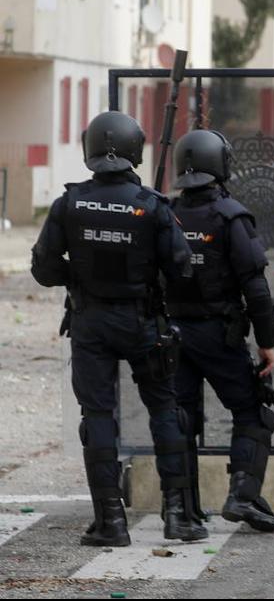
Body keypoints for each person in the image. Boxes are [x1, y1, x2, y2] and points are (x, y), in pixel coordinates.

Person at [31, 111, 206, 545]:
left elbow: (43, 268)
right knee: (166, 410)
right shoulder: (152, 206)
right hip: (143, 321)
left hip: (90, 321)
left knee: (98, 416)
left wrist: (76, 277)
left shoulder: (69, 204)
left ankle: (111, 521)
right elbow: (182, 268)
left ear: (90, 150)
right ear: (134, 151)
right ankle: (178, 516)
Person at [166, 130, 274, 533]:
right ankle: (242, 495)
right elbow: (256, 287)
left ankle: (179, 509)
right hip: (219, 334)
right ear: (221, 166)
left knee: (179, 419)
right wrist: (268, 343)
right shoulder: (230, 217)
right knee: (253, 412)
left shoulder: (165, 213)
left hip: (172, 334)